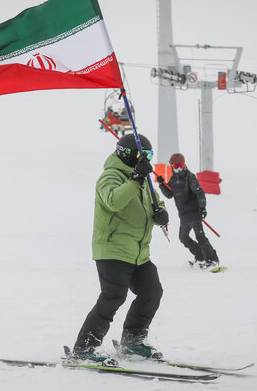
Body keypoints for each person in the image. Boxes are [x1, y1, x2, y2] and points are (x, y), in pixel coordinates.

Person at [72, 133, 169, 362]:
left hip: (139, 253)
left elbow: (155, 204)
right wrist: (135, 179)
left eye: (150, 155)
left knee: (152, 292)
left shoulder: (143, 180)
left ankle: (133, 341)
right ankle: (84, 348)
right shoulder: (110, 177)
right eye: (144, 155)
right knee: (113, 297)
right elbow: (114, 200)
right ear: (131, 154)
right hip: (113, 251)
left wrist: (162, 215)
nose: (147, 159)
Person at [157, 153, 219, 268]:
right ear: (171, 166)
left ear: (184, 165)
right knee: (183, 237)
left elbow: (199, 192)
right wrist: (162, 184)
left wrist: (202, 208)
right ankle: (200, 256)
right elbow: (169, 194)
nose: (179, 169)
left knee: (200, 237)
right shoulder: (173, 180)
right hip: (184, 216)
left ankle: (212, 259)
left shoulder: (189, 177)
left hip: (194, 213)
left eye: (181, 165)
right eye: (176, 167)